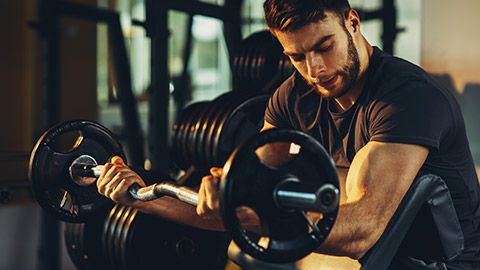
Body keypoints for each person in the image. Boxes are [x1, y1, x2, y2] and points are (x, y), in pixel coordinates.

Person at [96, 0, 480, 268]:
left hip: (439, 262)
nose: (314, 69)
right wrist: (145, 198)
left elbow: (363, 230)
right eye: (296, 57)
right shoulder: (292, 98)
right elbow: (239, 203)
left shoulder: (407, 98)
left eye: (323, 47)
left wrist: (256, 213)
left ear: (352, 22)